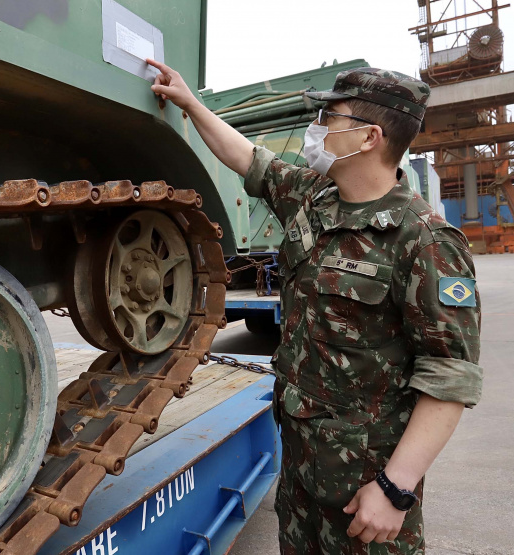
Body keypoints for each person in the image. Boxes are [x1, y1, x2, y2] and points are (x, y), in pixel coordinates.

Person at [147, 58, 483, 554]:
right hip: (302, 468)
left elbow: (449, 379)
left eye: (331, 119)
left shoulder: (425, 240)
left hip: (364, 488)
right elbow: (247, 158)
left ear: (369, 138)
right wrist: (190, 103)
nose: (316, 129)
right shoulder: (315, 197)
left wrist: (395, 489)